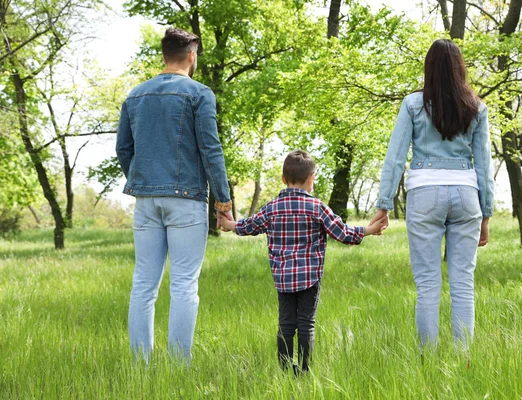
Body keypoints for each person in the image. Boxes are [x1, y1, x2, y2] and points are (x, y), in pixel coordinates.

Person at [116, 27, 233, 362]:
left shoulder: (135, 95)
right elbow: (211, 151)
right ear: (192, 56)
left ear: (164, 55)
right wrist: (223, 204)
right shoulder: (200, 94)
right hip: (187, 200)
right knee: (183, 284)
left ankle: (142, 365)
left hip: (146, 202)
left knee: (143, 284)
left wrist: (145, 181)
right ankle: (179, 366)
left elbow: (123, 149)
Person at [370, 39, 494, 350]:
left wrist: (384, 205)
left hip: (424, 195)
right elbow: (484, 163)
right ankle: (463, 361)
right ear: (460, 69)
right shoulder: (477, 108)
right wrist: (486, 214)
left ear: (429, 68)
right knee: (463, 285)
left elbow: (395, 157)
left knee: (428, 286)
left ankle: (428, 362)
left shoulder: (412, 104)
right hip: (467, 195)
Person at [219, 150, 386, 373]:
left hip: (283, 278)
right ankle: (305, 371)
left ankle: (286, 372)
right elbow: (343, 232)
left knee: (286, 325)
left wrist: (228, 224)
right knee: (306, 324)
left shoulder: (272, 208)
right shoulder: (317, 207)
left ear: (283, 178)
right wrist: (370, 229)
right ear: (311, 179)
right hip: (310, 278)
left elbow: (247, 226)